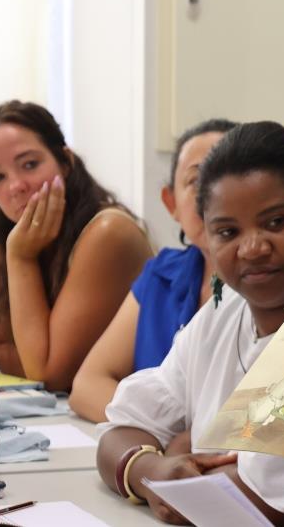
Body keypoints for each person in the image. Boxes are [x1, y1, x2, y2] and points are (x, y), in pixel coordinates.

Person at [96, 121, 284, 526]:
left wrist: (170, 466)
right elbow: (120, 431)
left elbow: (268, 501)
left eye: (276, 222)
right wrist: (153, 469)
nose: (253, 248)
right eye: (227, 231)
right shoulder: (223, 310)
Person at [0, 100, 152, 391]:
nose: (15, 186)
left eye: (30, 164)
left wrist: (20, 258)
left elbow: (48, 375)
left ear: (65, 162)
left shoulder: (109, 232)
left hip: (135, 411)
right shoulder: (20, 234)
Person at [70, 119, 237, 423]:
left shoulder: (272, 285)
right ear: (171, 203)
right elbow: (87, 385)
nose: (213, 194)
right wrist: (160, 436)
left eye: (228, 175)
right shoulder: (161, 275)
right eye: (197, 179)